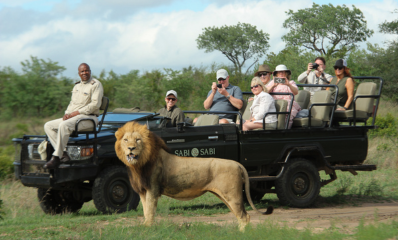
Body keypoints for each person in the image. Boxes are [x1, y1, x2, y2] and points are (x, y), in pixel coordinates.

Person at [43, 63, 104, 169]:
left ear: (90, 71)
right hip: (74, 117)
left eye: (86, 70)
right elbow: (72, 103)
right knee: (48, 125)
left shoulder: (96, 84)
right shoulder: (77, 86)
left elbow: (95, 105)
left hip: (89, 118)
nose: (85, 73)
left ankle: (56, 157)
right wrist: (67, 114)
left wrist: (76, 113)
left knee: (64, 125)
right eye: (82, 71)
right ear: (79, 73)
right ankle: (64, 154)